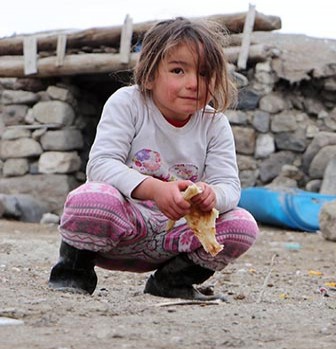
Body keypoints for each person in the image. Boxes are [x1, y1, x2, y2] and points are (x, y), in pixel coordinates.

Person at [48, 17, 259, 301]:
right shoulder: (128, 103)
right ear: (149, 75)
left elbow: (229, 187)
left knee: (243, 225)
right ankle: (73, 274)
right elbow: (100, 165)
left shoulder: (215, 124)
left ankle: (172, 282)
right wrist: (155, 190)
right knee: (90, 199)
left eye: (205, 73)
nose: (194, 83)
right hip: (123, 228)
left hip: (174, 238)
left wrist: (211, 195)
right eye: (178, 70)